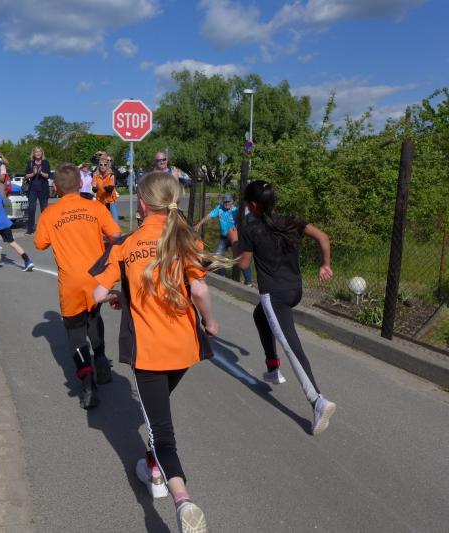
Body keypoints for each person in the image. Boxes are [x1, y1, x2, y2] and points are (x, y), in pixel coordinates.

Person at [91, 171, 220, 533]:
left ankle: (182, 499)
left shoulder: (125, 244)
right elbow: (199, 290)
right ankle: (151, 466)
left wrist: (119, 293)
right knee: (156, 413)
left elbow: (98, 294)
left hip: (149, 353)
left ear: (143, 205)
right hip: (185, 347)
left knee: (162, 431)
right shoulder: (185, 239)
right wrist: (210, 323)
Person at [237, 179, 336, 435]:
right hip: (294, 291)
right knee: (260, 316)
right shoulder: (291, 221)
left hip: (275, 295)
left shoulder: (250, 228)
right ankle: (272, 367)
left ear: (253, 205)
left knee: (292, 346)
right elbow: (323, 237)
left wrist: (237, 241)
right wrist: (325, 265)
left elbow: (243, 265)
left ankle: (317, 401)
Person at [34, 163, 121, 409]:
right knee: (94, 317)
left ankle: (87, 384)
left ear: (55, 187)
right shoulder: (95, 207)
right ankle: (101, 361)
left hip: (71, 281)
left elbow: (40, 243)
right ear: (81, 184)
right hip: (96, 277)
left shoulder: (50, 213)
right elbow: (116, 236)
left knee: (75, 333)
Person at [193, 193, 253, 285]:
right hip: (224, 238)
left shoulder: (236, 211)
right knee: (218, 256)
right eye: (225, 202)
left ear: (232, 202)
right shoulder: (219, 208)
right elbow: (208, 216)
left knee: (239, 258)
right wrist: (199, 224)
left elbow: (244, 222)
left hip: (233, 238)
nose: (227, 203)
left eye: (228, 201)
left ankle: (248, 282)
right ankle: (222, 276)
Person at [24, 146, 51, 234]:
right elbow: (26, 175)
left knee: (44, 210)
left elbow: (48, 176)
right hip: (32, 189)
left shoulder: (45, 162)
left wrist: (41, 172)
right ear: (34, 153)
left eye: (39, 152)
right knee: (31, 209)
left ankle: (45, 229)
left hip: (43, 189)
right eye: (36, 152)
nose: (38, 153)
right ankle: (30, 229)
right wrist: (33, 173)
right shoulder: (30, 163)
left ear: (42, 153)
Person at [93, 154, 119, 221]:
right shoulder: (95, 175)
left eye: (105, 165)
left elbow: (110, 190)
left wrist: (105, 186)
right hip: (100, 200)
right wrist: (95, 188)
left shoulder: (111, 175)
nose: (103, 166)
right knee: (101, 220)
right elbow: (94, 189)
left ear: (107, 166)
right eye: (101, 165)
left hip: (110, 200)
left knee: (115, 220)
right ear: (98, 166)